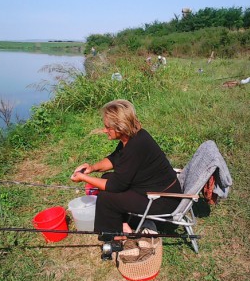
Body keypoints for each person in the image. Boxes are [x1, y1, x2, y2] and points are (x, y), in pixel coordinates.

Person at [71, 99, 181, 235]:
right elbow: (114, 159)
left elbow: (115, 186)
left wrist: (84, 178)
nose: (105, 130)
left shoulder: (135, 146)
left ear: (120, 127)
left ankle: (113, 237)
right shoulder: (133, 137)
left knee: (106, 199)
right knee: (106, 177)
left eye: (107, 127)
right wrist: (92, 168)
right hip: (151, 189)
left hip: (163, 199)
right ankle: (122, 224)